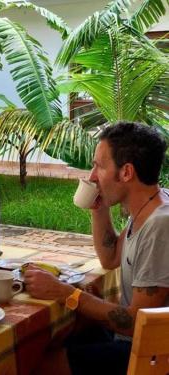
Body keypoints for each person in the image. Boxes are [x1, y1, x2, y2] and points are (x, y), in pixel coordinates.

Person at [24, 121, 169, 375]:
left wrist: (67, 294)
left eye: (99, 166)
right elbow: (110, 257)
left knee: (39, 365)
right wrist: (98, 207)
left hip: (151, 355)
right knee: (54, 338)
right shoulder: (150, 205)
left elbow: (135, 323)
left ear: (126, 172)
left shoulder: (160, 225)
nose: (91, 176)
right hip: (132, 340)